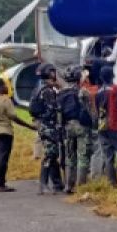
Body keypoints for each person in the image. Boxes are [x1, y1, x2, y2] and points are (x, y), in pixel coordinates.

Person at [0, 77, 33, 192]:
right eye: (5, 85)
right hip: (4, 132)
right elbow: (13, 117)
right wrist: (29, 126)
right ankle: (1, 184)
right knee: (2, 157)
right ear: (0, 87)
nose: (8, 87)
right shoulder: (5, 100)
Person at [58, 65, 95, 193]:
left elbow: (58, 113)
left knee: (69, 156)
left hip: (67, 127)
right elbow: (90, 111)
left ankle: (68, 185)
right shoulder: (83, 92)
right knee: (83, 156)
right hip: (82, 127)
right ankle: (81, 186)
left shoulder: (61, 93)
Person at [29, 63, 65, 194]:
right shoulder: (48, 91)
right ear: (50, 73)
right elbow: (54, 109)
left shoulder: (38, 88)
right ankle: (43, 183)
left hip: (43, 125)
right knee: (50, 155)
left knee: (53, 154)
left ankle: (57, 183)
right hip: (49, 126)